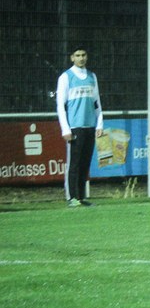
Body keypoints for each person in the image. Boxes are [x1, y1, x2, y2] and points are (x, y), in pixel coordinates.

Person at [56, 46, 103, 207]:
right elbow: (60, 106)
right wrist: (65, 128)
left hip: (90, 125)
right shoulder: (66, 77)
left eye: (83, 55)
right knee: (74, 164)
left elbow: (97, 103)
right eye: (78, 55)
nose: (81, 58)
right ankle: (72, 197)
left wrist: (99, 124)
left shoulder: (92, 76)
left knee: (85, 163)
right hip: (75, 126)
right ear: (72, 58)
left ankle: (81, 197)